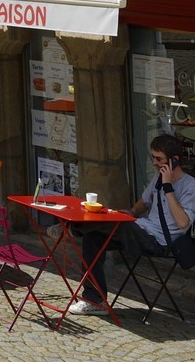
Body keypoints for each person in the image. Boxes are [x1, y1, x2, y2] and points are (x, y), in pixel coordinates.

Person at [73, 133, 195, 312]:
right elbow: (144, 201)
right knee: (92, 238)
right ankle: (95, 299)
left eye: (159, 159)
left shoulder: (190, 185)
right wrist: (131, 212)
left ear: (174, 160)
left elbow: (183, 223)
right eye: (153, 157)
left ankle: (73, 226)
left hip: (160, 241)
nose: (154, 163)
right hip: (142, 229)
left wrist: (168, 187)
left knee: (120, 224)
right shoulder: (158, 177)